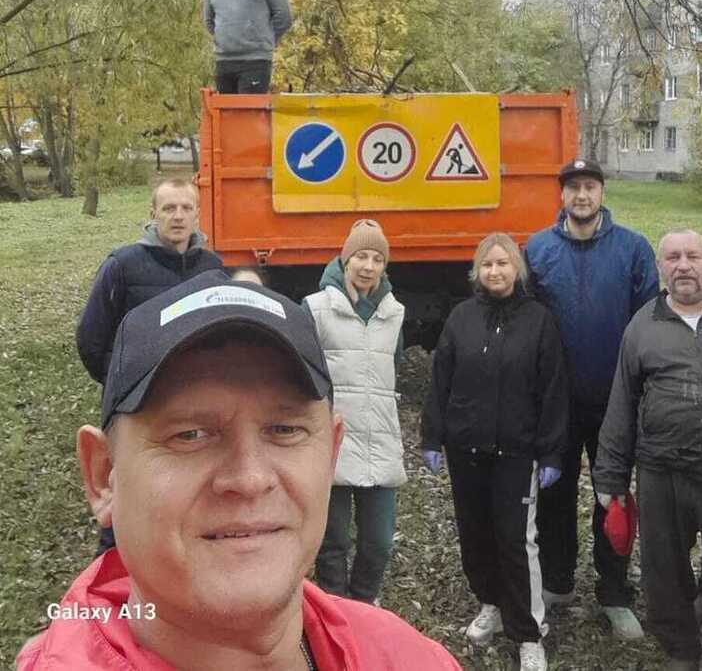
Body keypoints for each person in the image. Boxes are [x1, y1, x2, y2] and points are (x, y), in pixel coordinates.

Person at [18, 271, 462, 671]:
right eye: (190, 435)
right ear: (103, 475)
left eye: (285, 429)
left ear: (330, 456)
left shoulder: (412, 658)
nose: (249, 479)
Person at [594, 229, 702, 671]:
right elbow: (621, 403)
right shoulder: (643, 325)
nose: (683, 265)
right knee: (663, 576)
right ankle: (681, 653)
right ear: (661, 267)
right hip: (662, 473)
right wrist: (611, 480)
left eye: (692, 255)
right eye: (673, 257)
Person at [421, 233, 568, 671]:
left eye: (503, 264)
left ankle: (527, 633)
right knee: (475, 533)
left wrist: (553, 453)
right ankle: (490, 603)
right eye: (487, 265)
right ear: (477, 272)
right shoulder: (461, 318)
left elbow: (553, 389)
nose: (495, 272)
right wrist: (432, 436)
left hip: (517, 453)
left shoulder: (538, 320)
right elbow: (440, 379)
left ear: (517, 269)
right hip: (466, 448)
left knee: (515, 540)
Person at [525, 158, 658, 640]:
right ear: (561, 196)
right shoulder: (537, 250)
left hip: (615, 400)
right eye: (573, 188)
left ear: (602, 192)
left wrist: (643, 390)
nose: (581, 196)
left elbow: (648, 322)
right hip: (555, 401)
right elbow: (527, 325)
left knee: (614, 496)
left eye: (590, 187)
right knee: (554, 494)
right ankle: (558, 583)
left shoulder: (633, 249)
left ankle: (615, 592)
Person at [303, 219, 406, 605]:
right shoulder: (315, 309)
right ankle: (334, 604)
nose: (368, 266)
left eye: (377, 258)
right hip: (333, 437)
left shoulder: (394, 313)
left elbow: (391, 368)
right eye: (361, 256)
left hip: (378, 437)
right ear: (345, 259)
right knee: (333, 539)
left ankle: (363, 601)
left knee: (378, 541)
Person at [76, 179, 223, 385]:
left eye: (186, 208)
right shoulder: (121, 266)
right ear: (153, 214)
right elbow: (90, 338)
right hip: (137, 399)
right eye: (169, 208)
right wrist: (118, 382)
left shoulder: (214, 268)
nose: (178, 216)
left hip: (195, 393)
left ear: (197, 215)